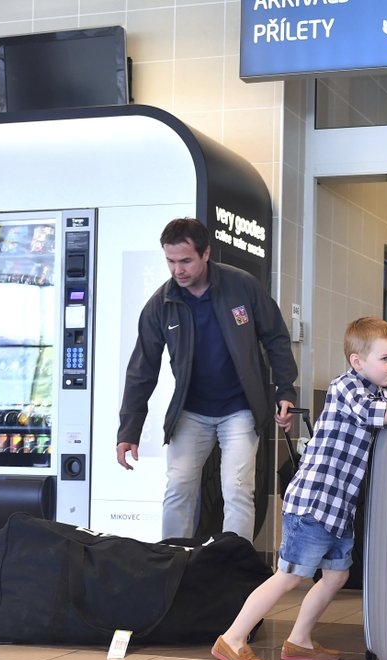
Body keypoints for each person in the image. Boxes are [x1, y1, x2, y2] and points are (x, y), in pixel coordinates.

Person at [211, 316, 387, 660]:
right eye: (385, 358)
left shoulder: (377, 391)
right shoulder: (345, 387)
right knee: (288, 575)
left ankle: (299, 640)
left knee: (336, 575)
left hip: (338, 509)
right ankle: (233, 638)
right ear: (357, 362)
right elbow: (373, 414)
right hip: (314, 504)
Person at [116, 217, 298, 540]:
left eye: (185, 260)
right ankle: (172, 563)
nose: (177, 270)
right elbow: (141, 369)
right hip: (191, 411)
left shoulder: (242, 287)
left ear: (206, 254)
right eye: (170, 261)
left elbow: (276, 338)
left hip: (240, 408)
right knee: (179, 486)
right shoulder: (161, 305)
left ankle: (233, 571)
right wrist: (129, 429)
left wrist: (286, 390)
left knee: (238, 488)